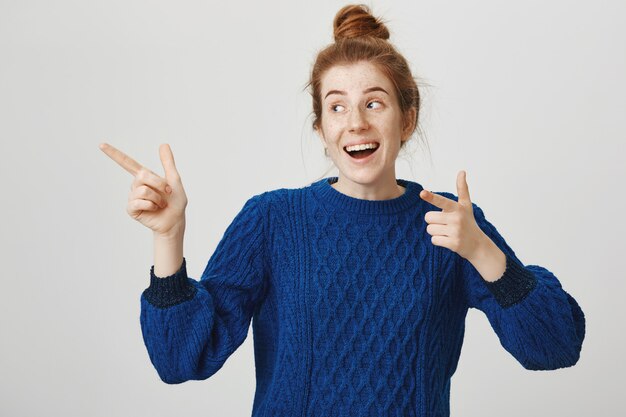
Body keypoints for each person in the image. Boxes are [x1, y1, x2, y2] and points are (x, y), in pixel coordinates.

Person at [100, 4, 585, 416]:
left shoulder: (450, 225)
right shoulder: (273, 220)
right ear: (320, 128)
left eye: (374, 103)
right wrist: (168, 238)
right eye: (336, 107)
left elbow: (555, 348)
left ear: (407, 120)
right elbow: (182, 360)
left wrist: (485, 254)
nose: (355, 122)